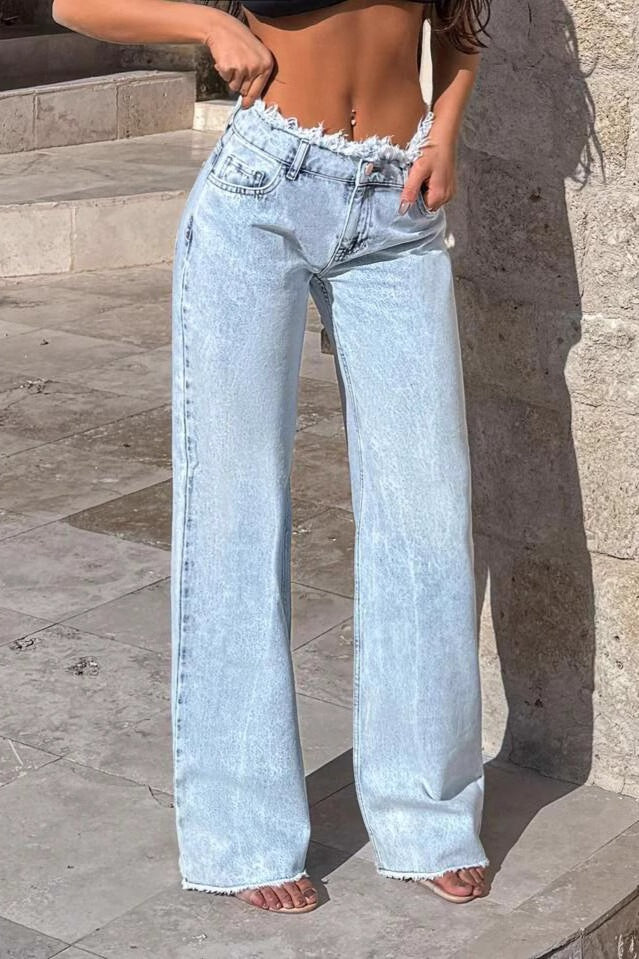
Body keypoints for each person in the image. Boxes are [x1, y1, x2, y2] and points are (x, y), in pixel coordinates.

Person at [52, 0, 492, 915]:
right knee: (236, 511)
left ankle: (426, 814)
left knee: (427, 516)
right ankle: (243, 829)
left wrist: (444, 133)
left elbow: (458, 26)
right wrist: (208, 25)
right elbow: (70, 4)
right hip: (262, 191)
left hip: (398, 202)